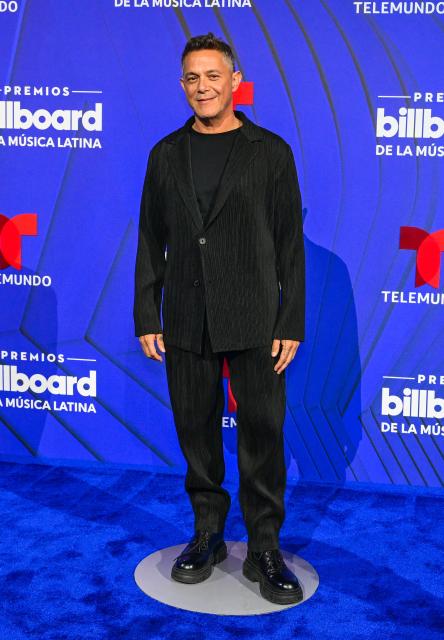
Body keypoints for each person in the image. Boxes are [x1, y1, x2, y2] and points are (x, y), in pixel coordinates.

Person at [133, 32, 305, 605]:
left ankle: (264, 547)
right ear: (182, 85)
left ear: (235, 81)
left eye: (212, 76)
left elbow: (289, 245)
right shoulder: (164, 155)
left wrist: (290, 321)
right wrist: (146, 311)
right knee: (196, 437)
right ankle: (206, 533)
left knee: (263, 434)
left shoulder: (271, 151)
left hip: (255, 318)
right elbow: (150, 240)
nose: (202, 87)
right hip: (184, 317)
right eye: (191, 78)